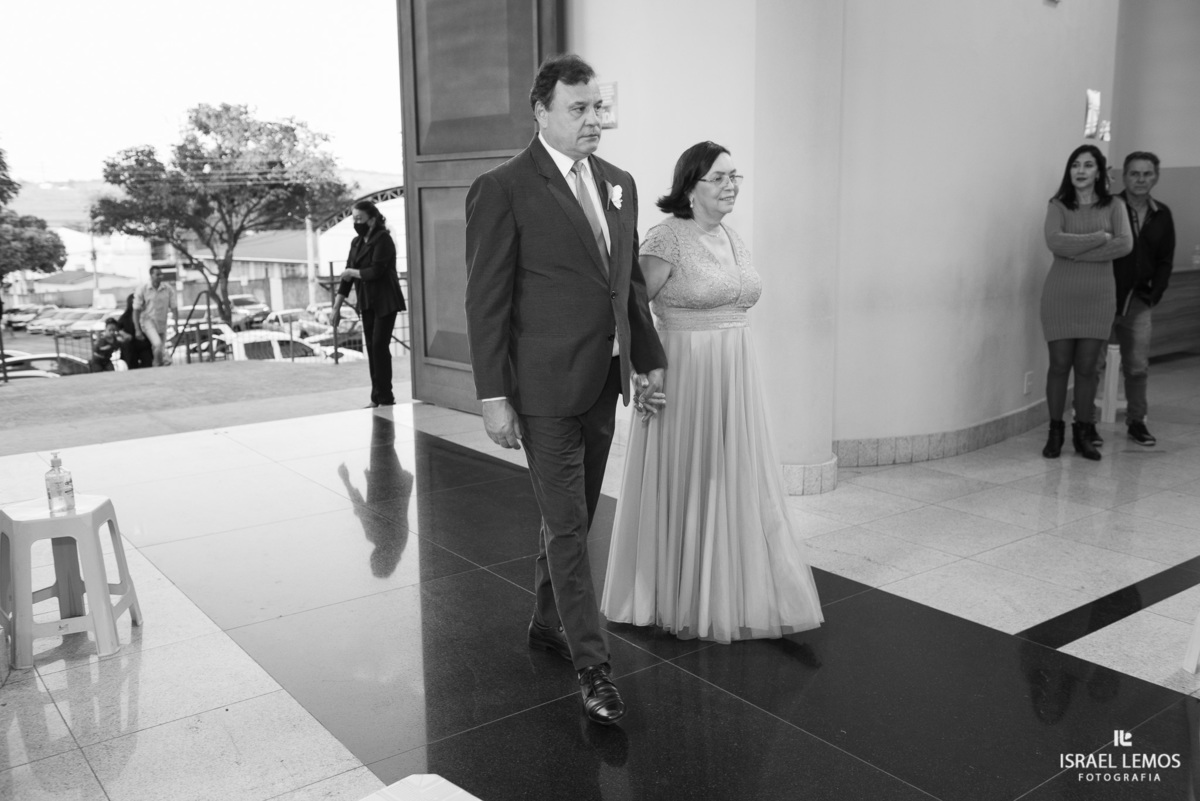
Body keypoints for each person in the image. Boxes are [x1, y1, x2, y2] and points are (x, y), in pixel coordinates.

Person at [464, 53, 667, 726]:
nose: (593, 121)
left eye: (598, 108)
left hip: (603, 379)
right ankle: (594, 667)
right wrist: (494, 394)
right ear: (541, 111)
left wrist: (646, 356)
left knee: (569, 516)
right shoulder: (503, 188)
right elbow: (486, 300)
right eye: (579, 109)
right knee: (574, 525)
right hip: (543, 388)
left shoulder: (620, 183)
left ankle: (549, 620)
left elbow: (627, 282)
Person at [600, 141, 824, 644]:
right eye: (720, 178)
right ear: (690, 186)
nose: (731, 187)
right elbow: (632, 309)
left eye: (735, 177)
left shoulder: (730, 234)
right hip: (683, 371)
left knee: (730, 477)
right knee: (688, 479)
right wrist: (641, 371)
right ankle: (672, 594)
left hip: (734, 370)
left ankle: (729, 590)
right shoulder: (667, 238)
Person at [1039, 145, 1132, 461]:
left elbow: (1125, 245)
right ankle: (1055, 431)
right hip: (1060, 297)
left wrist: (1075, 252)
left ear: (1099, 171)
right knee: (1059, 365)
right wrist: (1101, 237)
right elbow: (1055, 241)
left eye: (1088, 165)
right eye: (1075, 165)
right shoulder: (1058, 205)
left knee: (1087, 368)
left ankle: (1083, 432)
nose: (1080, 171)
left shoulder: (1114, 205)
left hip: (1099, 296)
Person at [1097, 151, 1175, 447]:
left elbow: (1165, 259)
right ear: (1123, 176)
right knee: (1093, 363)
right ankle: (1086, 424)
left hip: (1140, 302)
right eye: (1135, 173)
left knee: (1137, 366)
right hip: (1105, 298)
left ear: (1155, 177)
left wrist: (1155, 294)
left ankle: (1136, 422)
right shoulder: (1108, 208)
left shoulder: (1162, 214)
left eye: (1147, 174)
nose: (1141, 179)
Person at [333, 200, 405, 407]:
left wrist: (351, 272)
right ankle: (377, 397)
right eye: (354, 219)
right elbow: (346, 278)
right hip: (367, 302)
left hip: (386, 300)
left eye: (360, 219)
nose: (356, 222)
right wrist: (336, 307)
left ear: (372, 220)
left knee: (380, 346)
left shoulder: (383, 239)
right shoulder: (356, 243)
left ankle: (386, 397)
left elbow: (376, 271)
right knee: (373, 348)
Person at [133, 266, 175, 367]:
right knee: (157, 344)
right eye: (157, 274)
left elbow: (174, 307)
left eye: (161, 274)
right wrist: (137, 329)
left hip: (162, 322)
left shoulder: (167, 289)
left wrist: (176, 323)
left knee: (160, 347)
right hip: (148, 321)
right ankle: (157, 365)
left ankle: (160, 363)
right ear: (151, 275)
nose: (160, 277)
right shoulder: (143, 289)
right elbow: (136, 310)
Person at [117, 293, 153, 369]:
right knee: (131, 365)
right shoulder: (125, 316)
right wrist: (124, 334)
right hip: (131, 345)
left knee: (147, 364)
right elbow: (117, 327)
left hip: (144, 343)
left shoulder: (144, 315)